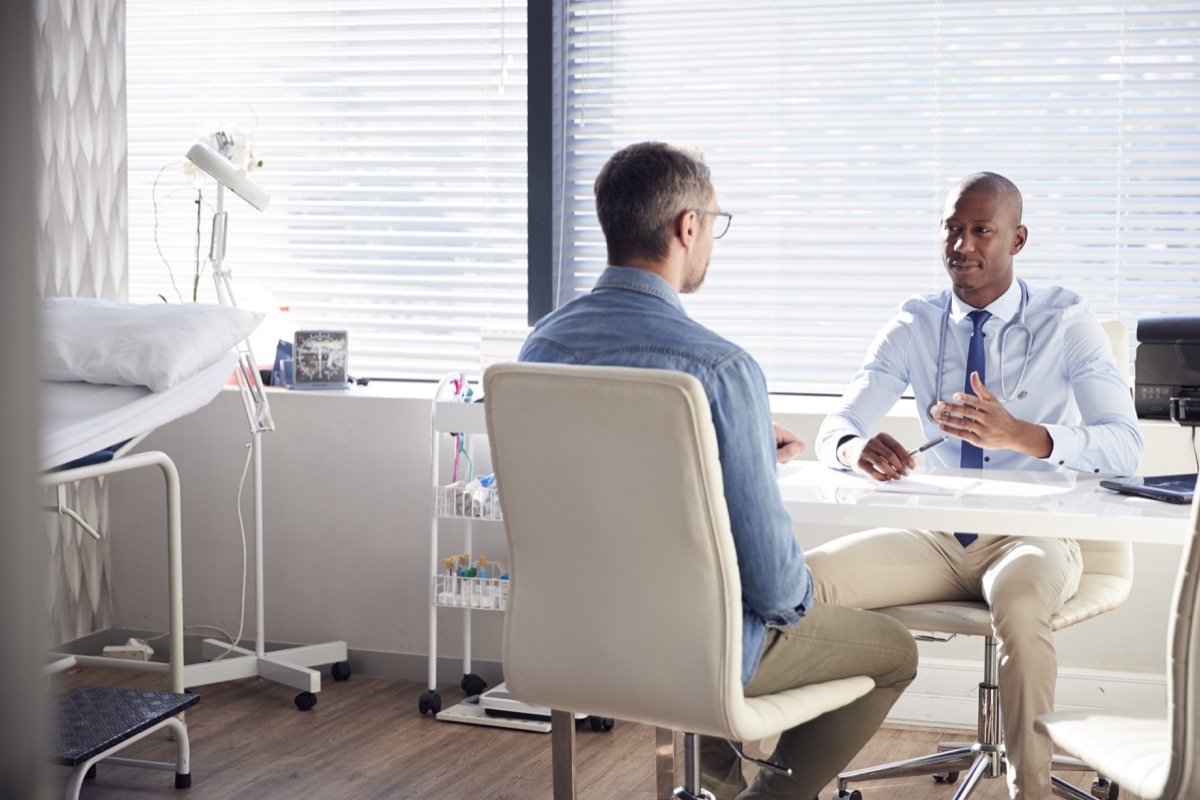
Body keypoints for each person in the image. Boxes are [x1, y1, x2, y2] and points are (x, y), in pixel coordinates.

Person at [518, 141, 917, 800]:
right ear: (688, 226)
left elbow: (584, 487)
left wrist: (727, 446)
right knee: (894, 650)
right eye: (716, 223)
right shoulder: (721, 370)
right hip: (695, 651)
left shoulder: (541, 348)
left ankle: (718, 790)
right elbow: (777, 590)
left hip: (571, 640)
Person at [812, 171, 1143, 800]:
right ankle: (783, 779)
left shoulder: (1066, 319)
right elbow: (839, 425)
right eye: (952, 229)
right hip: (936, 536)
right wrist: (856, 450)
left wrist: (1025, 436)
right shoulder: (915, 321)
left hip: (1033, 533)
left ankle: (1031, 792)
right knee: (804, 581)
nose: (962, 245)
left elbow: (1126, 448)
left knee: (1019, 606)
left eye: (981, 230)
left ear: (1017, 239)